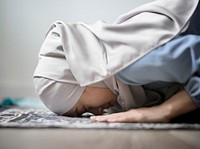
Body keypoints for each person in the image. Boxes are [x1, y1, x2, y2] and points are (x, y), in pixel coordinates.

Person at [33, 0, 199, 123]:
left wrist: (164, 111)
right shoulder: (122, 91)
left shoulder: (128, 67)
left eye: (84, 108)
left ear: (85, 77)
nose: (97, 111)